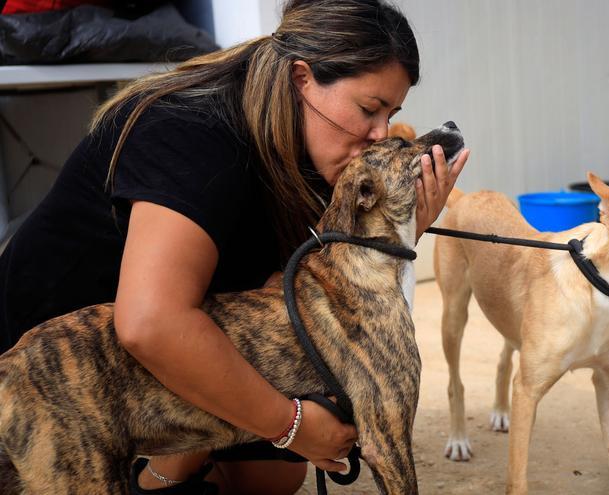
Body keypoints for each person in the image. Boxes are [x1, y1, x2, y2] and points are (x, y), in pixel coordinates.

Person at [0, 0, 470, 493]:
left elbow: (292, 291)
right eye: (369, 110)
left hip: (170, 345)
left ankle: (172, 468)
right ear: (302, 79)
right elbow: (149, 322)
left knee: (270, 477)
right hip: (60, 369)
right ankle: (158, 477)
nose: (380, 134)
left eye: (391, 114)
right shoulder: (193, 133)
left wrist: (395, 233)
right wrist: (290, 423)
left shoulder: (305, 139)